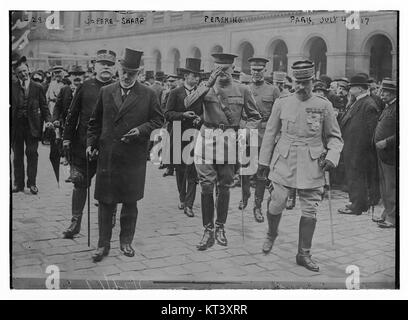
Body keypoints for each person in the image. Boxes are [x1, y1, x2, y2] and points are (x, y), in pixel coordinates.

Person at [258, 60, 343, 272]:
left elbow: (335, 137)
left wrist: (332, 156)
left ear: (313, 81)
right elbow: (270, 133)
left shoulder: (324, 105)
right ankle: (271, 232)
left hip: (312, 162)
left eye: (306, 82)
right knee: (276, 202)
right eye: (298, 82)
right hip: (284, 159)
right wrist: (263, 162)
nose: (301, 87)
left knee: (310, 209)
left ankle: (303, 254)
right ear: (293, 81)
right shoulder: (282, 103)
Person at [87, 48, 164, 262]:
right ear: (118, 70)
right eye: (124, 71)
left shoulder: (148, 94)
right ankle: (103, 245)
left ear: (138, 73)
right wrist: (91, 143)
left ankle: (126, 241)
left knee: (130, 202)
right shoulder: (106, 91)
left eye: (131, 72)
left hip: (133, 157)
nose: (126, 76)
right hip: (108, 156)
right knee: (105, 202)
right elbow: (94, 122)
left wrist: (141, 130)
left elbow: (159, 120)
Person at [184, 53, 261, 250]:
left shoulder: (242, 89)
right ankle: (207, 229)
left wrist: (244, 132)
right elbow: (188, 103)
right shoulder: (205, 88)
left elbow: (254, 116)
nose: (222, 74)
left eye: (225, 70)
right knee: (207, 186)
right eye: (218, 69)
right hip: (207, 138)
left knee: (225, 186)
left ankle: (220, 227)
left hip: (229, 141)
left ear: (233, 69)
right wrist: (207, 84)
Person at [61, 49, 117, 239]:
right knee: (80, 183)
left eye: (110, 64)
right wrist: (66, 138)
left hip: (109, 148)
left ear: (115, 67)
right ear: (95, 66)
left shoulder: (119, 88)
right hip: (83, 145)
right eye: (102, 64)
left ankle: (109, 220)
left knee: (109, 186)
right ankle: (75, 222)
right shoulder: (85, 86)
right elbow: (72, 114)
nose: (106, 67)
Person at [240, 57, 280, 223]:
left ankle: (258, 206)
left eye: (259, 70)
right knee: (244, 169)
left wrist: (276, 135)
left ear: (265, 71)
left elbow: (279, 115)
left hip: (265, 133)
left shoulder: (273, 90)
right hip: (248, 132)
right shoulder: (244, 88)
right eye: (254, 70)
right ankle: (245, 195)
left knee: (261, 172)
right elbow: (240, 113)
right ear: (250, 70)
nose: (256, 73)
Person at [165, 58, 203, 217]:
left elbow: (205, 112)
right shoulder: (175, 93)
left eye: (198, 76)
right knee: (180, 169)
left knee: (193, 170)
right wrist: (183, 115)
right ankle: (182, 196)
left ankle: (189, 204)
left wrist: (200, 118)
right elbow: (167, 114)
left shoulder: (201, 93)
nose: (196, 79)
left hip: (195, 134)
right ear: (186, 76)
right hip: (178, 133)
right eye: (193, 76)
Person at [338, 74, 379, 216]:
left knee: (357, 175)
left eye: (352, 87)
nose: (349, 90)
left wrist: (364, 149)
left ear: (360, 89)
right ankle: (355, 201)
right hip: (352, 146)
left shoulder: (368, 104)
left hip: (359, 148)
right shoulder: (358, 102)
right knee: (353, 174)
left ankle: (357, 205)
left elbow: (371, 131)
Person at [11, 58, 53, 194]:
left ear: (28, 69)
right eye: (20, 73)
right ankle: (18, 184)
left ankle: (32, 183)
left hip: (32, 126)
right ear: (16, 74)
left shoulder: (37, 87)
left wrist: (48, 120)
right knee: (17, 156)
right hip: (16, 127)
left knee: (32, 154)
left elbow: (44, 106)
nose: (23, 74)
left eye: (24, 71)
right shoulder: (12, 86)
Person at [374, 79, 397, 228]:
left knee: (391, 186)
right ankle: (387, 212)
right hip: (382, 154)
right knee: (384, 186)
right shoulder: (388, 106)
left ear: (393, 93)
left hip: (390, 154)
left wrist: (387, 142)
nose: (382, 94)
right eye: (382, 91)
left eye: (385, 92)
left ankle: (393, 218)